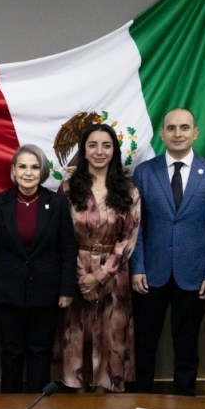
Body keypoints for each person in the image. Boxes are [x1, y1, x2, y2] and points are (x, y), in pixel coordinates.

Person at [129, 108, 205, 395]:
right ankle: (142, 401)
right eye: (171, 128)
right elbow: (136, 227)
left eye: (184, 128)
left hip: (194, 275)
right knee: (144, 344)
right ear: (162, 134)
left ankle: (185, 401)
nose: (178, 133)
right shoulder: (144, 172)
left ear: (195, 133)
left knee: (187, 347)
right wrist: (137, 267)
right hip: (150, 275)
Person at [0, 144, 77, 393]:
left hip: (46, 291)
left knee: (40, 351)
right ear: (14, 170)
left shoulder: (57, 203)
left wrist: (67, 288)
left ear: (42, 171)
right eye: (22, 167)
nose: (28, 173)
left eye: (34, 167)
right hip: (7, 290)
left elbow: (67, 248)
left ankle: (37, 403)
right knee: (11, 351)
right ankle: (10, 404)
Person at [52, 123, 141, 393]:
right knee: (76, 335)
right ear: (84, 150)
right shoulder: (68, 189)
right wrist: (83, 277)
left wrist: (99, 276)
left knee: (110, 337)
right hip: (75, 272)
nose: (99, 151)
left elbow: (128, 239)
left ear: (114, 151)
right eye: (92, 145)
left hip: (114, 277)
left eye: (106, 145)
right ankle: (76, 392)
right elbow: (61, 236)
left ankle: (105, 393)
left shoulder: (128, 191)